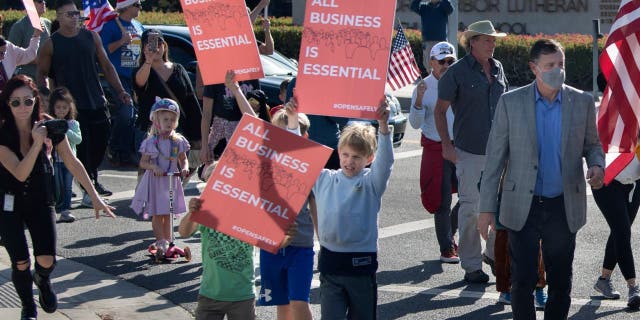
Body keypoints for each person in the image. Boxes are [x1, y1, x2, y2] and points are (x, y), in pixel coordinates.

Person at [478, 39, 605, 319]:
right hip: (522, 204)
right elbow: (495, 159)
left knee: (561, 283)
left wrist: (597, 166)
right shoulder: (511, 102)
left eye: (561, 64)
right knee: (522, 282)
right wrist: (486, 208)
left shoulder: (581, 102)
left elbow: (593, 145)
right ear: (534, 68)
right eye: (550, 65)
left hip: (563, 205)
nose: (558, 70)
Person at [0, 75, 115, 320]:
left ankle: (41, 279)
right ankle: (28, 307)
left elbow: (73, 162)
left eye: (28, 101)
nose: (22, 107)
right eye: (15, 102)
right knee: (20, 261)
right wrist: (37, 142)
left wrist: (93, 195)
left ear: (36, 102)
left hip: (41, 198)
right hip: (9, 200)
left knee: (47, 259)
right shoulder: (2, 132)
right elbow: (20, 173)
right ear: (7, 104)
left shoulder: (50, 125)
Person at [434, 20, 508, 283]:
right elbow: (439, 111)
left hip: (499, 152)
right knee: (471, 209)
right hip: (469, 151)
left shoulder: (498, 68)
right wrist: (446, 145)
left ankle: (491, 254)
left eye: (493, 39)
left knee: (501, 209)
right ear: (473, 42)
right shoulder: (457, 72)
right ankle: (472, 265)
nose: (492, 43)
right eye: (487, 39)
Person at [37, 0, 132, 203]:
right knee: (82, 145)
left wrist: (121, 91)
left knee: (100, 141)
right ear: (59, 17)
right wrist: (46, 97)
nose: (74, 18)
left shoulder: (91, 37)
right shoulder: (51, 44)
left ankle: (90, 180)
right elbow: (42, 73)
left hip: (96, 100)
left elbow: (107, 66)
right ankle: (89, 187)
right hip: (70, 106)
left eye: (75, 14)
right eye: (69, 14)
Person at [308, 98, 393, 319]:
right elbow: (298, 158)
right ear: (338, 152)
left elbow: (386, 163)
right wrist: (291, 122)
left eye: (356, 157)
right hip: (330, 264)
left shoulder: (371, 182)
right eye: (345, 155)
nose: (349, 161)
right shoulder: (325, 178)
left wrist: (383, 128)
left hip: (361, 266)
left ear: (369, 158)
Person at [258, 99, 315, 320]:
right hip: (271, 246)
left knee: (299, 303)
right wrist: (235, 90)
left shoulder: (304, 167)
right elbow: (251, 126)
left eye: (289, 134)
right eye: (278, 135)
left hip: (300, 246)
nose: (283, 141)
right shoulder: (265, 165)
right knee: (282, 306)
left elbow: (295, 147)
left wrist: (293, 119)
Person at [410, 41, 459, 264]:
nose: (447, 65)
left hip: (461, 146)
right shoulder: (423, 86)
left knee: (472, 194)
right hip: (436, 148)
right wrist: (419, 100)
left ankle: (450, 232)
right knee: (442, 200)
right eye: (442, 61)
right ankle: (446, 247)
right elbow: (415, 122)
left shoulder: (460, 81)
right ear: (432, 63)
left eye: (451, 61)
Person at [130, 98, 189, 255]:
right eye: (165, 119)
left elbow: (183, 159)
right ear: (156, 121)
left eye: (172, 119)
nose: (169, 123)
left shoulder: (178, 141)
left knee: (168, 213)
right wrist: (153, 167)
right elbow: (143, 162)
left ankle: (169, 241)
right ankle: (160, 241)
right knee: (157, 213)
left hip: (171, 180)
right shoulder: (151, 142)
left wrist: (184, 168)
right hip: (156, 182)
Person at [133, 29, 201, 159]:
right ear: (143, 48)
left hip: (177, 130)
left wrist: (198, 135)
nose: (156, 47)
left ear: (165, 46)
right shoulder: (140, 70)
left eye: (159, 43)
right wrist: (148, 61)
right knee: (151, 174)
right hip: (149, 131)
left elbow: (190, 101)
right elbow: (139, 84)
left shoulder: (178, 69)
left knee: (175, 172)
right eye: (151, 44)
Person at [591, 148, 640, 308]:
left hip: (634, 183)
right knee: (622, 232)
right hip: (608, 181)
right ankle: (633, 287)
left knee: (619, 231)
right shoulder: (616, 122)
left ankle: (604, 280)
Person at [100, 0, 145, 167]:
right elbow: (102, 51)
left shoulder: (139, 26)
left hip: (136, 77)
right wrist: (121, 41)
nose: (140, 8)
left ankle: (128, 151)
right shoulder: (111, 26)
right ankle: (116, 147)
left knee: (136, 116)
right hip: (118, 77)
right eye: (137, 5)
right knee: (127, 112)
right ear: (127, 7)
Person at [286, 77, 349, 170]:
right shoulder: (296, 82)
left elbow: (343, 119)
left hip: (330, 149)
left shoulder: (334, 83)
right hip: (303, 148)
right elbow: (287, 115)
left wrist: (323, 101)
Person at [49, 86, 81, 223]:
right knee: (57, 185)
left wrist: (65, 129)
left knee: (68, 186)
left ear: (69, 108)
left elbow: (78, 140)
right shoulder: (50, 122)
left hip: (69, 161)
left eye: (64, 107)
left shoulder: (73, 123)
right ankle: (57, 207)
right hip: (55, 160)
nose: (61, 111)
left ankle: (66, 210)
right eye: (58, 107)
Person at [9, 0, 51, 81]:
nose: (44, 2)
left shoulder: (47, 23)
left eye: (44, 0)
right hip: (28, 80)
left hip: (46, 78)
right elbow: (11, 55)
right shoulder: (19, 27)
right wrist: (36, 60)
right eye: (40, 1)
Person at [410, 0, 453, 73]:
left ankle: (441, 82)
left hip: (441, 42)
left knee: (443, 65)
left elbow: (450, 10)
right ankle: (432, 82)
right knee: (429, 66)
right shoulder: (424, 7)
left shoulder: (443, 7)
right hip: (428, 42)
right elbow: (413, 7)